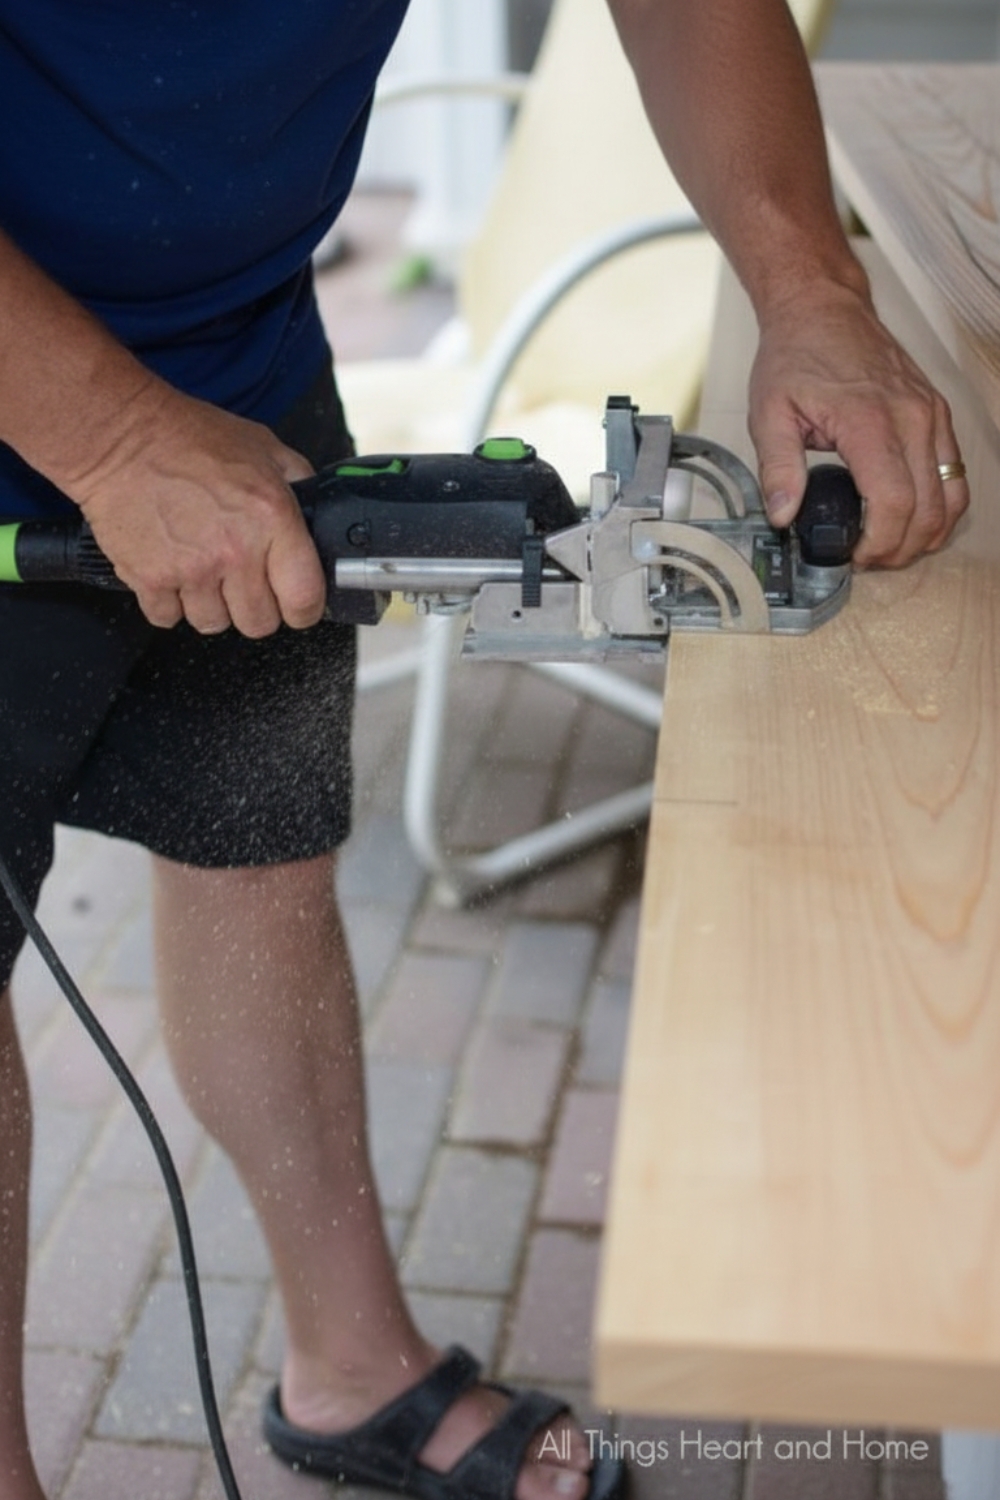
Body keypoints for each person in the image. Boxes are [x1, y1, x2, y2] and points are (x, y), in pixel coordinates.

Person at [0, 3, 969, 1500]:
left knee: (256, 851)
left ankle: (352, 1370)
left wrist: (808, 285)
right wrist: (118, 446)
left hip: (235, 346)